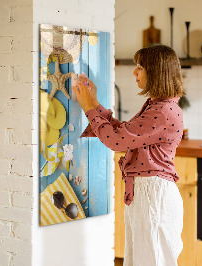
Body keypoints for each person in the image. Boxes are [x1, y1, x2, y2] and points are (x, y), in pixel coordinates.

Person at [72, 44, 185, 266]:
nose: (134, 72)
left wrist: (88, 108)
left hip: (153, 196)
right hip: (147, 194)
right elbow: (124, 133)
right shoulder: (158, 106)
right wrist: (94, 103)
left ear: (156, 72)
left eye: (140, 67)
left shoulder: (162, 111)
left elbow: (116, 141)